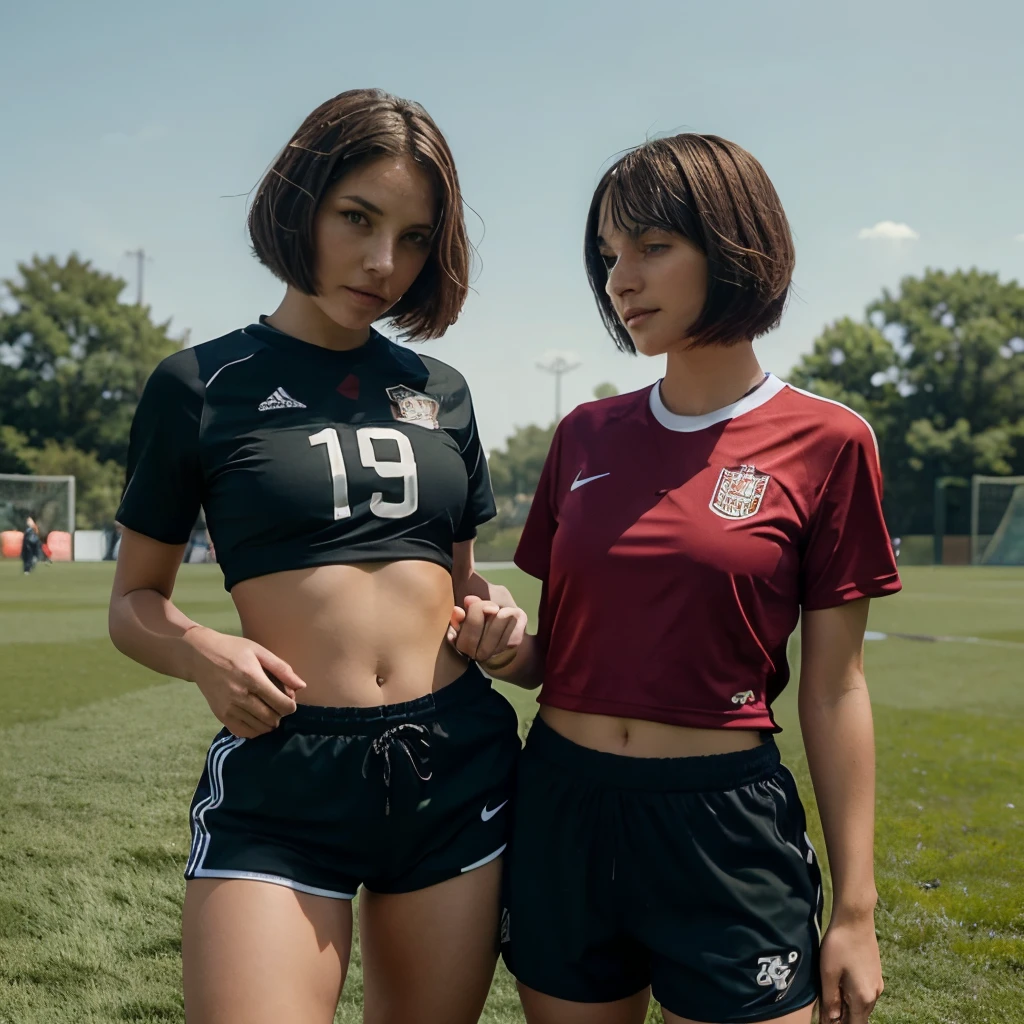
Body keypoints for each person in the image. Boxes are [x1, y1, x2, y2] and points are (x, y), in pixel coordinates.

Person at [108, 88, 526, 1024]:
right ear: (300, 202)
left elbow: (459, 588)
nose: (384, 263)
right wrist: (200, 650)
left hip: (452, 764)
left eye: (415, 238)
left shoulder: (441, 392)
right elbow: (133, 603)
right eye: (358, 219)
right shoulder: (199, 386)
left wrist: (492, 618)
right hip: (284, 770)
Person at [480, 134, 902, 1024]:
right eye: (607, 255)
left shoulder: (829, 442)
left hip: (722, 824)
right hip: (564, 807)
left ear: (736, 245)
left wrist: (857, 911)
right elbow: (556, 655)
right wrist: (507, 646)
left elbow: (836, 689)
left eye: (651, 247)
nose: (618, 280)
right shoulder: (585, 436)